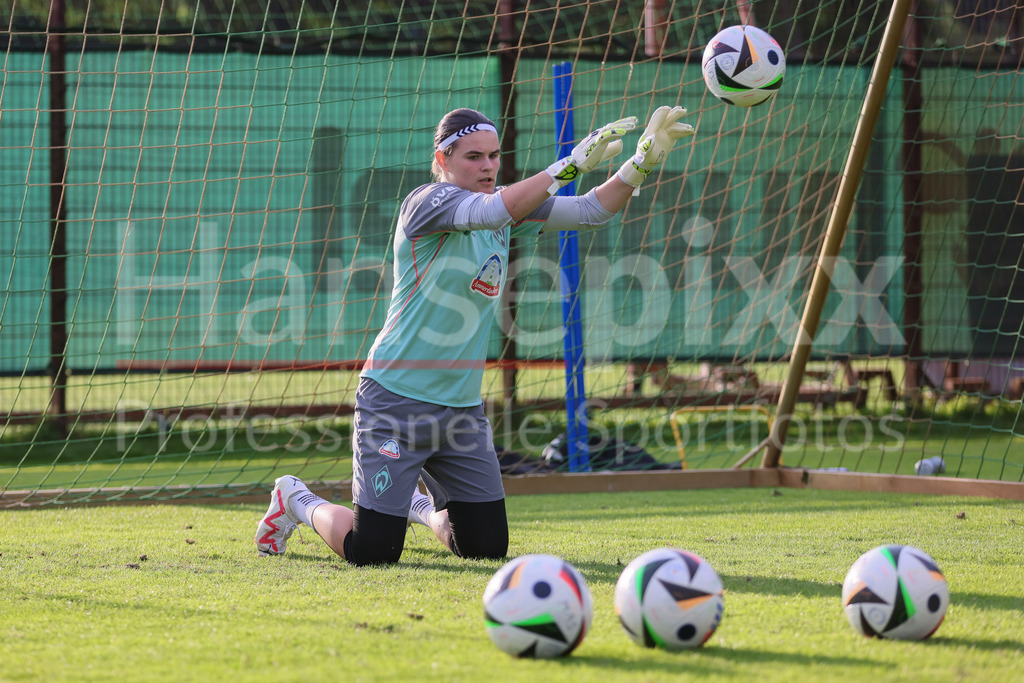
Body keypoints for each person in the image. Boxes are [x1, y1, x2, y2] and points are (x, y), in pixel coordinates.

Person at [255, 105, 695, 565]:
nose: (487, 166)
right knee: (373, 552)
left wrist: (640, 163)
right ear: (443, 160)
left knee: (485, 549)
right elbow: (491, 212)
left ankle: (416, 505)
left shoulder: (507, 203)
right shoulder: (426, 203)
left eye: (493, 156)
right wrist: (569, 165)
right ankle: (295, 499)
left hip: (460, 411)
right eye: (473, 157)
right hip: (394, 401)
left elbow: (590, 210)